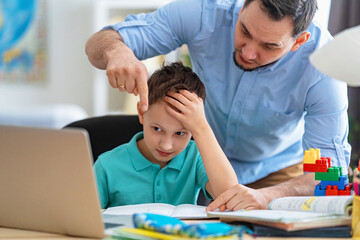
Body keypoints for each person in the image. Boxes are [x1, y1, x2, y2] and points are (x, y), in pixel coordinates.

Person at [86, 0, 351, 210]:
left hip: (278, 173)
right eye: (245, 31)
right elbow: (100, 42)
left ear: (299, 42)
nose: (247, 53)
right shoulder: (205, 13)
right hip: (200, 166)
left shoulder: (323, 67)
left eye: (269, 46)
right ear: (243, 5)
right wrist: (116, 51)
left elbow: (331, 176)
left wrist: (270, 195)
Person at [93, 62, 237, 209]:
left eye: (180, 133)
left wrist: (202, 127)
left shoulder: (195, 157)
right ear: (142, 113)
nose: (166, 145)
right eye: (157, 129)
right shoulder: (106, 166)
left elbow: (231, 197)